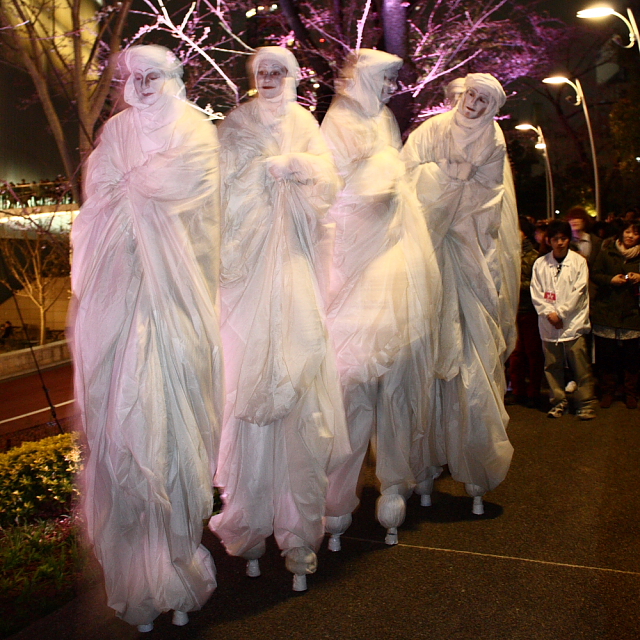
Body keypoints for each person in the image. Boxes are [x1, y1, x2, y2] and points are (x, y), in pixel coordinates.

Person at [70, 45, 223, 632]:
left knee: (173, 431)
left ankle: (178, 564)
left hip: (175, 304)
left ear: (173, 78)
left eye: (151, 75)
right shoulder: (116, 131)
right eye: (131, 78)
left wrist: (136, 191)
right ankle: (138, 575)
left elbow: (187, 187)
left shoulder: (195, 131)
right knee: (125, 434)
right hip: (119, 297)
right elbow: (100, 196)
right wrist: (136, 192)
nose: (141, 86)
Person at [208, 46, 350, 592]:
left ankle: (298, 535)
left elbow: (329, 186)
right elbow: (221, 190)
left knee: (301, 399)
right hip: (247, 278)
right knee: (246, 400)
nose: (268, 79)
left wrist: (298, 169)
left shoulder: (304, 124)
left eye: (277, 71)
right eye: (261, 72)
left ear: (292, 77)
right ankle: (247, 526)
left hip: (293, 269)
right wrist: (262, 178)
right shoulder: (237, 124)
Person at [319, 49, 439, 548]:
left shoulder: (385, 120)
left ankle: (394, 483)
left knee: (397, 387)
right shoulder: (337, 122)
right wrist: (374, 191)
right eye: (386, 78)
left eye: (393, 79)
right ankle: (336, 497)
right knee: (350, 389)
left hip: (397, 268)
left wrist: (391, 188)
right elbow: (330, 193)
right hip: (352, 274)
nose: (392, 87)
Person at [402, 73, 520, 515]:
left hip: (467, 259)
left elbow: (490, 203)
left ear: (491, 107)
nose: (472, 104)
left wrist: (458, 188)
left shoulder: (494, 142)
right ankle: (421, 465)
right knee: (423, 354)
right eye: (471, 95)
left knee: (471, 360)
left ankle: (474, 465)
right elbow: (407, 173)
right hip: (429, 252)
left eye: (483, 100)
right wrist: (446, 179)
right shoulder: (431, 129)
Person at [530, 220, 596, 420]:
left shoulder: (578, 262)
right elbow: (536, 292)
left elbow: (578, 292)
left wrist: (560, 313)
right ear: (548, 240)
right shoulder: (540, 264)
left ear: (569, 239)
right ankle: (558, 401)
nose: (559, 243)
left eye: (563, 238)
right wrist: (549, 313)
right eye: (555, 239)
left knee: (580, 366)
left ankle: (585, 403)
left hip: (572, 323)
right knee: (552, 366)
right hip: (549, 325)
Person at [590, 220, 640, 408]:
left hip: (632, 312)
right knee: (607, 355)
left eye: (635, 233)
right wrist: (610, 279)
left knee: (632, 356)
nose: (630, 236)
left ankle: (630, 392)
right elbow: (595, 274)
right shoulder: (607, 252)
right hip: (607, 310)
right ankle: (608, 391)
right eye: (627, 231)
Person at [506, 217, 544, 408]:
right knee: (515, 353)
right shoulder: (507, 254)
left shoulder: (534, 257)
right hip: (512, 310)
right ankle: (518, 390)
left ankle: (534, 391)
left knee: (533, 352)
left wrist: (514, 286)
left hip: (530, 310)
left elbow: (538, 285)